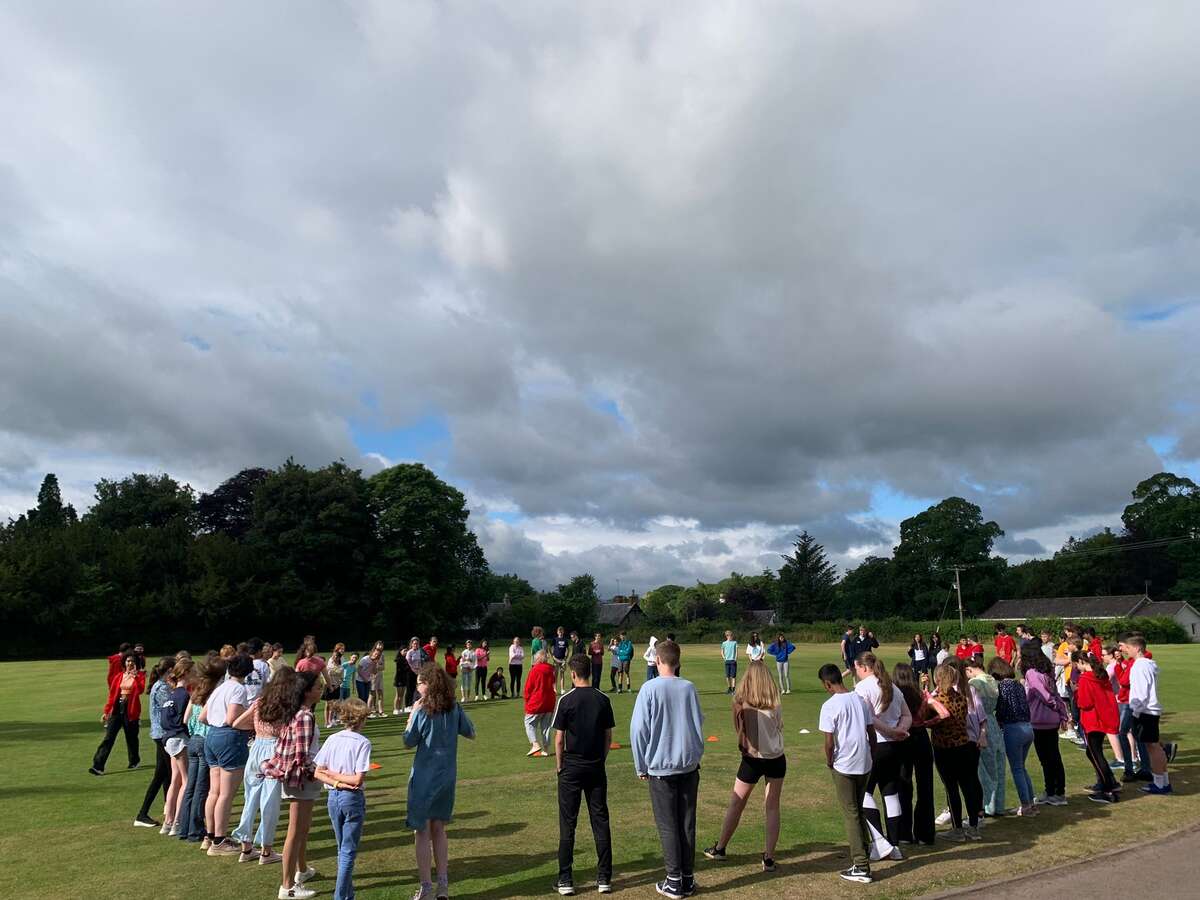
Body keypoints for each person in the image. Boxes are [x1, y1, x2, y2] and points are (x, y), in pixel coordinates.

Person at [630, 640, 704, 899]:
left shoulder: (649, 688)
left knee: (668, 825)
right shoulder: (689, 688)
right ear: (678, 661)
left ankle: (675, 880)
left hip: (661, 767)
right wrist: (695, 757)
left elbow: (638, 730)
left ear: (658, 661)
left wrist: (641, 764)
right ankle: (687, 877)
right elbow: (698, 726)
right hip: (688, 765)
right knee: (686, 823)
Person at [703, 659, 786, 872]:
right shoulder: (775, 703)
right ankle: (769, 857)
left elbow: (738, 728)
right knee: (772, 806)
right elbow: (779, 727)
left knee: (736, 803)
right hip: (776, 758)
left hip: (752, 759)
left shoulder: (741, 703)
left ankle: (720, 848)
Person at [405, 663, 476, 900]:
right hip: (447, 776)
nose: (417, 687)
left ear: (428, 684)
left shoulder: (423, 709)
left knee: (422, 831)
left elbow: (408, 740)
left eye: (419, 683)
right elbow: (470, 732)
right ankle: (442, 886)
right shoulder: (453, 707)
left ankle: (426, 887)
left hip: (425, 777)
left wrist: (412, 715)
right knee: (439, 829)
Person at [553, 654, 615, 895]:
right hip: (595, 766)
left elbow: (559, 739)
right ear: (590, 672)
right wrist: (601, 759)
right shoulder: (602, 699)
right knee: (600, 821)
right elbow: (608, 736)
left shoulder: (566, 700)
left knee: (568, 824)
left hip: (571, 767)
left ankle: (566, 879)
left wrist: (559, 765)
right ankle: (604, 878)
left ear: (573, 674)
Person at [263, 669, 324, 900]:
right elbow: (302, 757)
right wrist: (326, 774)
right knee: (295, 832)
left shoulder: (297, 712)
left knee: (303, 828)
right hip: (301, 780)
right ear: (307, 692)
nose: (321, 689)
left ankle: (302, 870)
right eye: (317, 686)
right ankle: (287, 887)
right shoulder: (305, 716)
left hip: (298, 779)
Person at [817, 663, 875, 885]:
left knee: (850, 812)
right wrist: (872, 755)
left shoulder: (830, 705)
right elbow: (871, 732)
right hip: (864, 761)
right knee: (858, 808)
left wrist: (829, 762)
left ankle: (861, 865)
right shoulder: (859, 699)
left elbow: (829, 742)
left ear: (827, 684)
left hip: (845, 764)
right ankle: (865, 850)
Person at [314, 698, 373, 900]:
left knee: (342, 849)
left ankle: (348, 895)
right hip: (351, 798)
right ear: (361, 720)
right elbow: (357, 778)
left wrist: (334, 778)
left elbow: (318, 772)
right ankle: (340, 897)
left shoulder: (333, 738)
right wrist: (340, 780)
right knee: (348, 852)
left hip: (333, 797)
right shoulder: (363, 743)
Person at [231, 667, 291, 865]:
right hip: (274, 751)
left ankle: (246, 848)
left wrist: (256, 728)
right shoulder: (287, 706)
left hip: (256, 749)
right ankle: (266, 850)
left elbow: (237, 722)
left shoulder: (259, 703)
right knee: (270, 803)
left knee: (251, 798)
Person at [853, 653, 910, 853]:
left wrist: (891, 731)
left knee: (864, 793)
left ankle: (880, 842)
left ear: (864, 667)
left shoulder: (862, 688)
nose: (857, 673)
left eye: (857, 669)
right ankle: (894, 845)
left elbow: (869, 717)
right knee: (890, 793)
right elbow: (907, 714)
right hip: (895, 746)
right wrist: (900, 730)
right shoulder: (892, 686)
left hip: (876, 745)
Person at [202, 652, 255, 855]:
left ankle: (210, 836)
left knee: (214, 792)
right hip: (229, 737)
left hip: (212, 736)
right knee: (226, 793)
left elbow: (204, 717)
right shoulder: (239, 689)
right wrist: (251, 718)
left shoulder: (220, 688)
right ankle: (220, 840)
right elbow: (233, 718)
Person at [926, 663, 983, 841]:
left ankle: (957, 829)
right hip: (964, 745)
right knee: (968, 786)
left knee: (952, 789)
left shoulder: (938, 700)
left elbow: (928, 719)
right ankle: (973, 826)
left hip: (945, 748)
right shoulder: (961, 698)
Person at [179, 657, 222, 844]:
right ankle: (196, 830)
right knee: (201, 789)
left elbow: (186, 719)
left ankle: (184, 827)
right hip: (205, 740)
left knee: (190, 786)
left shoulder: (195, 693)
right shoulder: (212, 695)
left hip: (193, 739)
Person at [1121, 634, 1170, 794]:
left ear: (1137, 648)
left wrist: (1135, 712)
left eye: (1128, 648)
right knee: (1155, 747)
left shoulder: (1139, 666)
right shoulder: (1147, 665)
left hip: (1144, 712)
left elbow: (1140, 694)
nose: (1126, 651)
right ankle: (1164, 782)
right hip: (1150, 711)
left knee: (1152, 748)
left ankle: (1159, 784)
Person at [892, 663, 935, 844]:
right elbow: (927, 714)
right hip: (921, 736)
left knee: (903, 785)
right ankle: (925, 834)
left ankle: (903, 833)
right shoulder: (919, 694)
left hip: (904, 738)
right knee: (925, 786)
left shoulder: (894, 694)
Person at [1020, 645, 1069, 806]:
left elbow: (1045, 695)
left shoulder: (1032, 673)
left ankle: (1056, 792)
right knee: (1052, 757)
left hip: (1040, 720)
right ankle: (1053, 791)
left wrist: (1055, 706)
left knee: (1048, 758)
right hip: (1050, 719)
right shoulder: (1047, 671)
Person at [1072, 650, 1121, 804]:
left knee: (1095, 754)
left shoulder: (1085, 679)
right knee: (1093, 752)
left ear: (1081, 662)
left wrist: (1077, 693)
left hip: (1093, 720)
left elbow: (1085, 703)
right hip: (1102, 718)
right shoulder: (1101, 675)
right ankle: (1110, 783)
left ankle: (1108, 790)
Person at [989, 657, 1037, 816]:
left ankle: (1026, 805)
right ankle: (1031, 802)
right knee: (1021, 768)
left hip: (1013, 729)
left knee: (1017, 768)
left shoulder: (1002, 687)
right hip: (1027, 727)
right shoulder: (1018, 684)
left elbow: (1001, 710)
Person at [134, 656, 177, 827]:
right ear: (169, 671)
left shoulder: (162, 686)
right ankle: (147, 813)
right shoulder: (161, 688)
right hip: (162, 735)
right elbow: (170, 710)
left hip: (161, 734)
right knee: (166, 775)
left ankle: (159, 812)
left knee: (163, 775)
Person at [90, 650, 145, 776]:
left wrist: (135, 676)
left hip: (131, 710)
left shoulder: (140, 676)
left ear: (136, 663)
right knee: (109, 737)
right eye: (128, 661)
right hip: (117, 709)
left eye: (132, 661)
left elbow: (140, 690)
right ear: (124, 662)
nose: (130, 663)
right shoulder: (118, 676)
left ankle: (134, 761)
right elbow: (111, 696)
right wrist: (106, 711)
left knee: (131, 738)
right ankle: (98, 765)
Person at [965, 658, 1004, 818]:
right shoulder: (992, 680)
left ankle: (988, 805)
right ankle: (998, 804)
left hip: (982, 723)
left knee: (984, 768)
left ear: (969, 669)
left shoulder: (974, 683)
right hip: (993, 723)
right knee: (998, 766)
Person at [160, 659, 193, 835]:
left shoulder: (171, 695)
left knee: (175, 780)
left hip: (169, 739)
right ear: (186, 673)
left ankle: (168, 821)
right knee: (186, 782)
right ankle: (178, 822)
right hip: (179, 740)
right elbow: (185, 721)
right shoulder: (184, 695)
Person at [524, 650, 557, 757]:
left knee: (529, 722)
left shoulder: (535, 669)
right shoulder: (551, 669)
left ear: (538, 658)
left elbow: (528, 688)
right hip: (549, 701)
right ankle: (546, 750)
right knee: (546, 726)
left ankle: (535, 744)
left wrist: (527, 700)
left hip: (537, 701)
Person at [368, 641, 386, 718]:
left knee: (380, 694)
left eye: (381, 645)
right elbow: (370, 667)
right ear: (376, 646)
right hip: (373, 676)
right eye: (379, 645)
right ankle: (369, 712)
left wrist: (378, 666)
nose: (380, 646)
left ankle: (381, 712)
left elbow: (383, 667)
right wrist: (378, 666)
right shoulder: (372, 654)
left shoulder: (382, 655)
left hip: (380, 676)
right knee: (372, 694)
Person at [551, 626, 571, 693]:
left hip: (563, 660)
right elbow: (551, 648)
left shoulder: (565, 640)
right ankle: (555, 689)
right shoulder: (555, 639)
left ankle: (562, 689)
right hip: (556, 660)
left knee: (562, 674)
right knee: (555, 675)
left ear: (563, 632)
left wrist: (566, 658)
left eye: (561, 631)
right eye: (559, 631)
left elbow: (568, 649)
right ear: (557, 632)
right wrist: (553, 657)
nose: (560, 632)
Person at [720, 630, 738, 695]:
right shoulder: (724, 643)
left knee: (733, 676)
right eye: (729, 635)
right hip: (727, 661)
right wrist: (724, 658)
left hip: (733, 661)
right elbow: (722, 651)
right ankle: (729, 688)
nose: (730, 637)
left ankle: (733, 689)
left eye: (731, 635)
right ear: (726, 636)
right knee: (727, 676)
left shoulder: (735, 642)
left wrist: (735, 659)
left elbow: (736, 651)